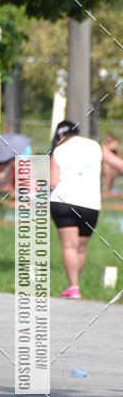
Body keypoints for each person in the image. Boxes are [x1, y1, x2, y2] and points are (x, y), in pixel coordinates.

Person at [50, 120, 123, 298]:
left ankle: (73, 286)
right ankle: (73, 285)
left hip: (63, 202)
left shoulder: (58, 150)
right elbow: (119, 165)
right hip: (90, 204)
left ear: (60, 135)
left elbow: (53, 182)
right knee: (80, 249)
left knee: (69, 246)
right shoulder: (96, 146)